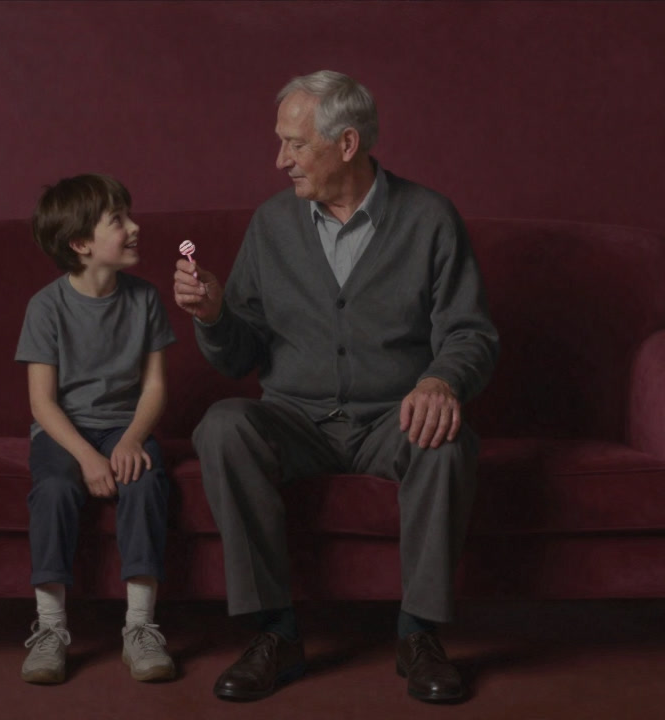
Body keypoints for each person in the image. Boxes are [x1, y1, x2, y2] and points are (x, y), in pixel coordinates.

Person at [173, 71, 499, 703]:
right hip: (294, 420)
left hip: (391, 421)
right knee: (223, 425)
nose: (281, 160)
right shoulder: (271, 225)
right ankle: (275, 633)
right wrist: (213, 315)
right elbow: (239, 354)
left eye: (295, 144)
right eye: (281, 143)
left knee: (449, 441)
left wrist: (439, 379)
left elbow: (472, 334)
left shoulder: (430, 218)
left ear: (347, 144)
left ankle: (419, 635)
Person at [16, 174, 178, 685]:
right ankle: (49, 631)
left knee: (147, 480)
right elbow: (42, 403)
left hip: (124, 427)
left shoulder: (146, 299)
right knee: (56, 488)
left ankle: (140, 628)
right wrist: (87, 457)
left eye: (129, 216)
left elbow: (154, 388)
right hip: (65, 432)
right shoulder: (46, 307)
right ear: (81, 244)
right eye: (118, 221)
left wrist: (131, 439)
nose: (134, 227)